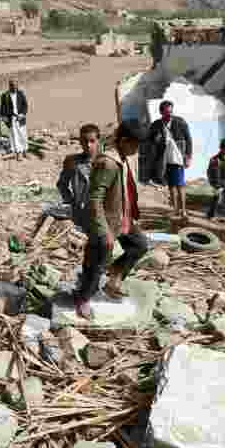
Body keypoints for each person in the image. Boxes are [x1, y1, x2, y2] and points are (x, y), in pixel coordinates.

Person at [74, 120, 150, 320]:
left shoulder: (122, 157)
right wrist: (103, 230)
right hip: (105, 221)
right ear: (124, 141)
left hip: (121, 217)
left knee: (139, 245)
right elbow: (95, 198)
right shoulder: (108, 163)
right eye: (135, 144)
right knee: (97, 262)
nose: (137, 149)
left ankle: (113, 281)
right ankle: (83, 299)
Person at [149, 100, 193, 221]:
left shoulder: (180, 122)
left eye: (171, 112)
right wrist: (155, 139)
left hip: (177, 158)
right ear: (161, 112)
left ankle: (183, 210)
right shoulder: (157, 124)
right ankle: (175, 209)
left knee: (180, 185)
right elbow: (150, 137)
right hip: (164, 159)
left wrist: (188, 156)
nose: (170, 115)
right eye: (167, 112)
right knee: (171, 185)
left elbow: (189, 139)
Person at [57, 123, 101, 233]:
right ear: (80, 142)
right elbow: (62, 184)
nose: (88, 145)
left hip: (103, 214)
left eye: (92, 141)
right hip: (81, 214)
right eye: (85, 141)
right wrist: (71, 202)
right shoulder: (72, 162)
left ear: (98, 141)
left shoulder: (107, 162)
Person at [0, 80, 29, 160]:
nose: (14, 87)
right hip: (11, 119)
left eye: (15, 85)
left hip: (20, 118)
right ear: (9, 86)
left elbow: (25, 105)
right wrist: (4, 117)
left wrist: (22, 114)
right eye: (12, 85)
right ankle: (18, 152)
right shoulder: (5, 95)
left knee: (23, 134)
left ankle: (25, 151)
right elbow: (2, 108)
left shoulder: (21, 94)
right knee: (14, 136)